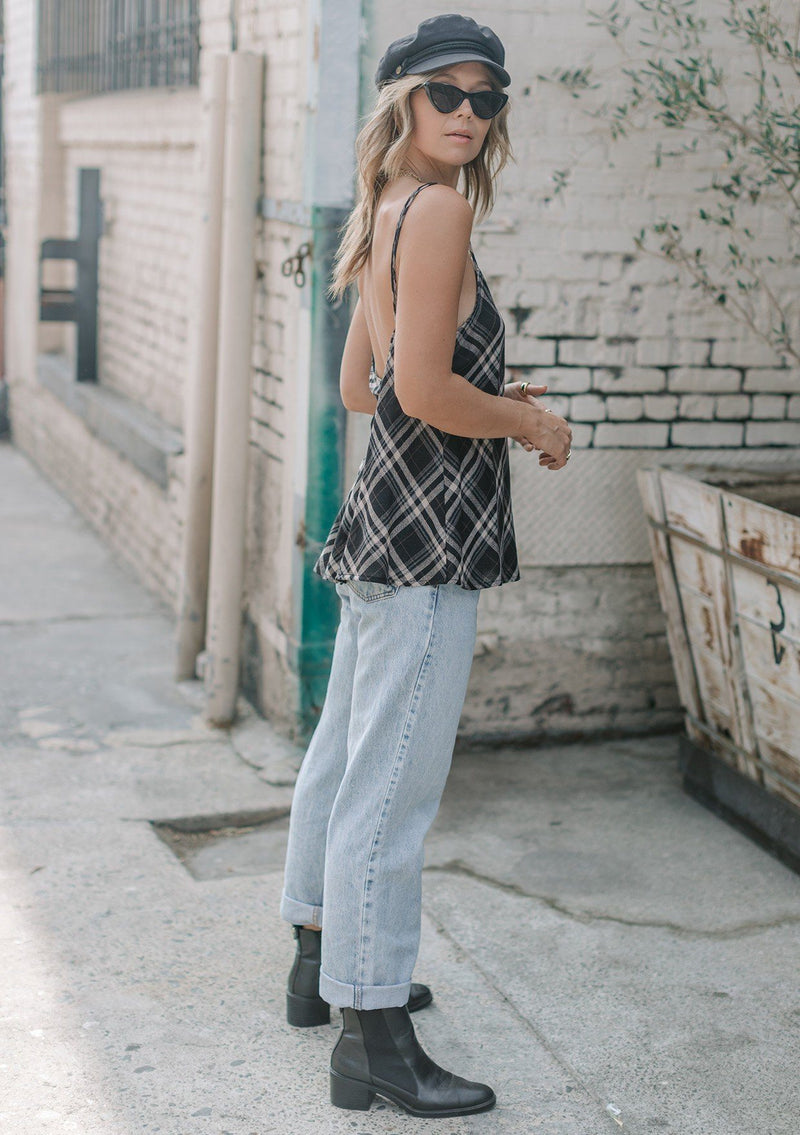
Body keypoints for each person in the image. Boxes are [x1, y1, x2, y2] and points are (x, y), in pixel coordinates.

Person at [279, 12, 572, 1118]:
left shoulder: (386, 207)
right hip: (429, 539)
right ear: (402, 96)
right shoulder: (437, 208)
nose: (463, 113)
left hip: (378, 528)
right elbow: (419, 395)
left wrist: (485, 397)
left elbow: (364, 389)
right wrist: (527, 424)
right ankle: (372, 1033)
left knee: (343, 756)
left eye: (484, 98)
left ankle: (318, 961)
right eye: (442, 93)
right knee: (391, 791)